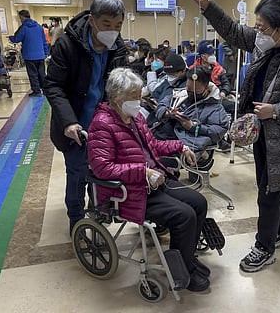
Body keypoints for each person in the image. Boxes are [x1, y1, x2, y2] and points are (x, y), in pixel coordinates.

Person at [188, 0, 280, 272]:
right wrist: (206, 4)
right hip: (262, 129)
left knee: (268, 192)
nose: (258, 32)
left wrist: (277, 110)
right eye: (257, 27)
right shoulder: (268, 42)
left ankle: (264, 247)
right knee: (272, 185)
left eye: (262, 27)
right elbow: (233, 31)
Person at [87, 67, 210, 292]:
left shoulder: (135, 118)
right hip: (128, 192)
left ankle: (187, 260)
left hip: (154, 181)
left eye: (138, 95)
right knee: (183, 215)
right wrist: (142, 172)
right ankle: (181, 270)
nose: (138, 101)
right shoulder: (102, 124)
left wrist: (180, 146)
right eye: (133, 97)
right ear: (116, 97)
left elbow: (153, 146)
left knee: (198, 202)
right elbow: (102, 168)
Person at [43, 0, 128, 234]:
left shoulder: (117, 47)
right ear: (92, 20)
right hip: (76, 124)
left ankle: (99, 211)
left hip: (104, 125)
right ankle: (77, 220)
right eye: (107, 25)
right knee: (79, 174)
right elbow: (53, 86)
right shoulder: (67, 45)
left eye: (118, 25)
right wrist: (69, 123)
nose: (113, 31)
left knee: (102, 171)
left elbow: (120, 82)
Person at [153, 65, 229, 160]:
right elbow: (162, 104)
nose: (191, 93)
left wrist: (192, 126)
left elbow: (219, 130)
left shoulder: (215, 107)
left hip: (187, 142)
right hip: (164, 135)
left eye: (196, 91)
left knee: (157, 160)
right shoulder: (180, 94)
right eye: (188, 89)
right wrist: (167, 113)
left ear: (207, 88)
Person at [9, 10, 49, 97]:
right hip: (40, 55)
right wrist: (46, 52)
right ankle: (45, 90)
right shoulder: (39, 27)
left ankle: (36, 91)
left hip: (29, 56)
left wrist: (11, 37)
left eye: (20, 18)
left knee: (33, 74)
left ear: (22, 17)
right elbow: (44, 41)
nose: (20, 19)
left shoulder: (23, 28)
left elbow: (17, 39)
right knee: (42, 74)